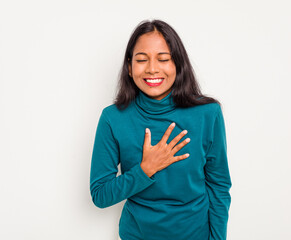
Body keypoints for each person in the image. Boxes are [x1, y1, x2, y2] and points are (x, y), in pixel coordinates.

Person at [90, 19, 232, 240]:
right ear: (129, 66)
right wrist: (145, 169)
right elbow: (100, 194)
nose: (152, 69)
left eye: (163, 59)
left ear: (177, 64)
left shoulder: (207, 113)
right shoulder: (113, 118)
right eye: (141, 60)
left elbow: (218, 185)